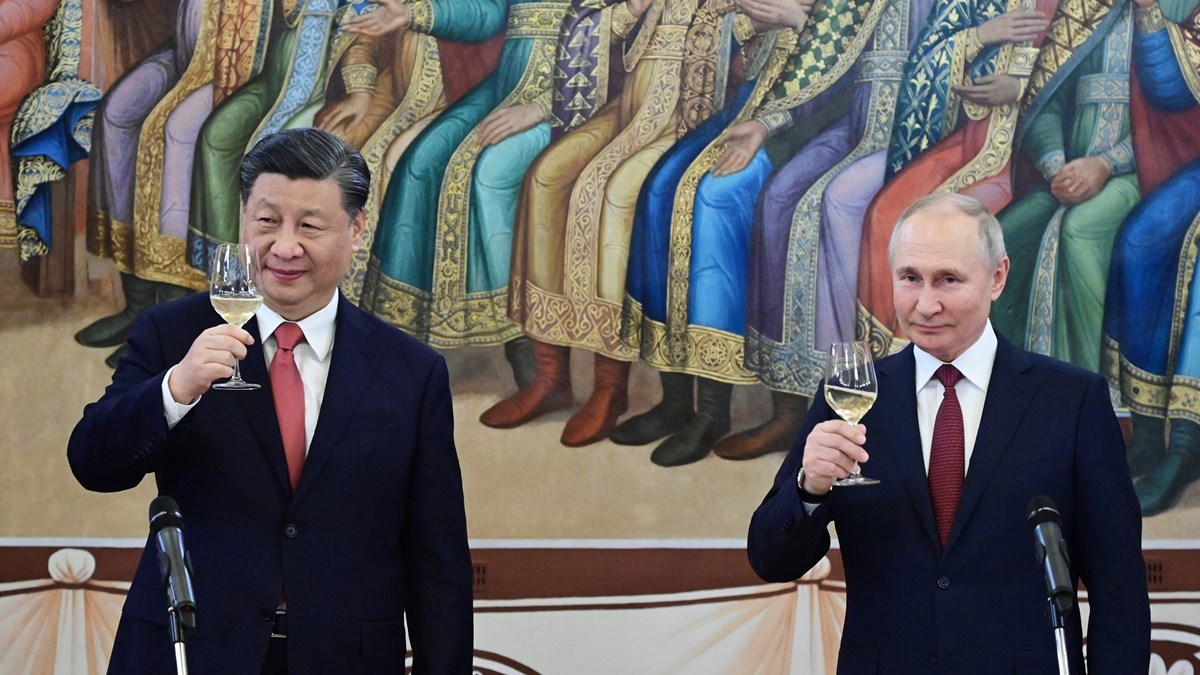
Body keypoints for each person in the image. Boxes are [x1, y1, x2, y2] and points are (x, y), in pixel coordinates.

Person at [68, 128, 473, 674]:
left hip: (344, 659)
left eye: (309, 226)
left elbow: (437, 557)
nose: (284, 247)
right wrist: (174, 390)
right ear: (244, 220)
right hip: (194, 650)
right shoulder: (173, 334)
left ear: (356, 229)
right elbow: (93, 464)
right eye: (267, 221)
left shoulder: (410, 371)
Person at [747, 193, 1149, 672]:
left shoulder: (1072, 400)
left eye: (948, 280)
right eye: (909, 278)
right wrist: (808, 489)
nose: (925, 304)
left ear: (997, 276)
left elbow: (1119, 587)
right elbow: (771, 560)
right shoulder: (850, 397)